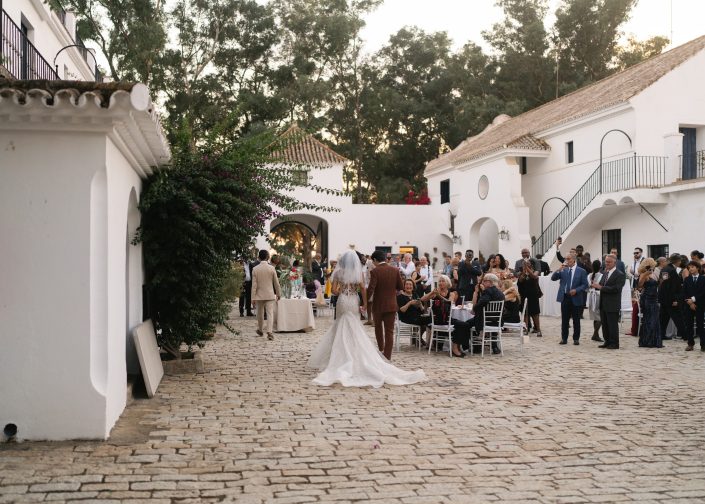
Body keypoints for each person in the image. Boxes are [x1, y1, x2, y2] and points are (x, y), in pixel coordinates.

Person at [308, 250, 425, 387]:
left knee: (341, 326)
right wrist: (363, 303)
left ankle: (337, 357)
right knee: (359, 327)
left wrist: (343, 292)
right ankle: (370, 355)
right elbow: (363, 288)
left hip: (343, 300)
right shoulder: (360, 273)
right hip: (355, 301)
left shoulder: (338, 273)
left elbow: (333, 291)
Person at [367, 250, 405, 360]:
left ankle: (381, 350)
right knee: (389, 331)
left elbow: (371, 289)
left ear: (375, 260)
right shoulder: (395, 270)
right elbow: (400, 286)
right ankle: (387, 356)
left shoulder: (375, 271)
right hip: (391, 305)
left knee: (378, 329)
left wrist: (364, 302)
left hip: (378, 305)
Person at [422, 275, 472, 357]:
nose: (441, 283)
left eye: (443, 281)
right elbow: (423, 299)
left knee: (465, 325)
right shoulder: (435, 293)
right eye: (440, 281)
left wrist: (439, 296)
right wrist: (432, 292)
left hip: (446, 319)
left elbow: (449, 302)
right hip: (437, 319)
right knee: (462, 325)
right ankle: (455, 349)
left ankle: (456, 346)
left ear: (447, 283)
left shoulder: (451, 293)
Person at [551, 253, 589, 345]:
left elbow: (585, 285)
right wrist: (559, 269)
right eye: (566, 259)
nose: (566, 261)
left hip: (576, 297)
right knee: (564, 319)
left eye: (568, 259)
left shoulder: (581, 271)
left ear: (573, 260)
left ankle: (576, 339)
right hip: (565, 297)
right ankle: (564, 338)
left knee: (576, 320)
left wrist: (576, 290)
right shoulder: (564, 270)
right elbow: (553, 278)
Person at [592, 254, 625, 349]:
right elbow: (602, 284)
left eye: (609, 262)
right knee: (605, 324)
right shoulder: (605, 273)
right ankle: (607, 341)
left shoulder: (620, 274)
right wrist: (596, 286)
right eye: (606, 262)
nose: (607, 264)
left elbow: (616, 289)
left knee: (612, 325)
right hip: (603, 302)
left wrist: (601, 287)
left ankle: (614, 343)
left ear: (615, 262)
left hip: (613, 303)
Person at [471, 273, 505, 354]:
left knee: (468, 323)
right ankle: (494, 346)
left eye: (484, 281)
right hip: (497, 321)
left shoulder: (487, 291)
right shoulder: (500, 293)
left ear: (490, 282)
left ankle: (476, 347)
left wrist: (474, 309)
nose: (483, 283)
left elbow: (484, 301)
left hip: (485, 321)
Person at [251, 249, 281, 341]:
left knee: (260, 314)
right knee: (270, 313)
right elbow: (276, 283)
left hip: (259, 295)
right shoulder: (272, 268)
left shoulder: (255, 269)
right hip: (269, 294)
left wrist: (252, 298)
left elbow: (254, 285)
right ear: (268, 257)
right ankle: (269, 331)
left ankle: (260, 330)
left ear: (259, 257)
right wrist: (278, 293)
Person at [659, 254, 687, 342]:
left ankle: (661, 334)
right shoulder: (671, 270)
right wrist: (674, 299)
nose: (680, 262)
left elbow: (663, 284)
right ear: (677, 261)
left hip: (664, 298)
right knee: (678, 318)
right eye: (680, 261)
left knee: (663, 318)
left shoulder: (665, 269)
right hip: (670, 299)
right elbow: (668, 286)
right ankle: (685, 335)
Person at [397, 279, 431, 345]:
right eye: (407, 284)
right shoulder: (400, 297)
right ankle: (420, 339)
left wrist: (420, 304)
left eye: (410, 285)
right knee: (428, 320)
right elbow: (402, 310)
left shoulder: (415, 295)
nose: (408, 286)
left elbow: (422, 310)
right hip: (406, 317)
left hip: (416, 317)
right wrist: (410, 303)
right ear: (404, 286)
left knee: (428, 320)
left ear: (413, 287)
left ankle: (418, 337)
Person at [637, 258, 661, 348]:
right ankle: (648, 341)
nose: (653, 267)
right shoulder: (644, 274)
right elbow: (639, 285)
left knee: (654, 319)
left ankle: (653, 340)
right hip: (648, 298)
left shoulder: (651, 274)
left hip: (653, 298)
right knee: (650, 319)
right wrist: (646, 274)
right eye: (652, 265)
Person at [682, 260, 705, 351]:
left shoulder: (703, 279)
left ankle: (703, 345)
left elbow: (703, 292)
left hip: (700, 305)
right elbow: (684, 292)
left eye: (692, 267)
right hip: (688, 305)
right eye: (689, 267)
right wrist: (690, 302)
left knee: (700, 325)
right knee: (689, 325)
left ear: (698, 268)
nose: (690, 269)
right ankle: (690, 343)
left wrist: (694, 300)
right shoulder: (687, 279)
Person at [516, 259, 542, 337]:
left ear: (531, 264)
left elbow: (534, 277)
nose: (526, 264)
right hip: (523, 294)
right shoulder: (521, 272)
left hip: (533, 295)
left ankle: (538, 329)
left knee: (535, 313)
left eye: (528, 263)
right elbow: (520, 280)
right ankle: (526, 329)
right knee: (525, 313)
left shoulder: (535, 271)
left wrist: (528, 269)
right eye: (525, 264)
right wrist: (524, 270)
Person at [587, 260, 603, 342]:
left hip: (591, 296)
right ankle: (595, 333)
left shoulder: (589, 275)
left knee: (595, 316)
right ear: (600, 267)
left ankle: (595, 334)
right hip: (598, 296)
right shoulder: (601, 276)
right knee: (599, 316)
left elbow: (587, 287)